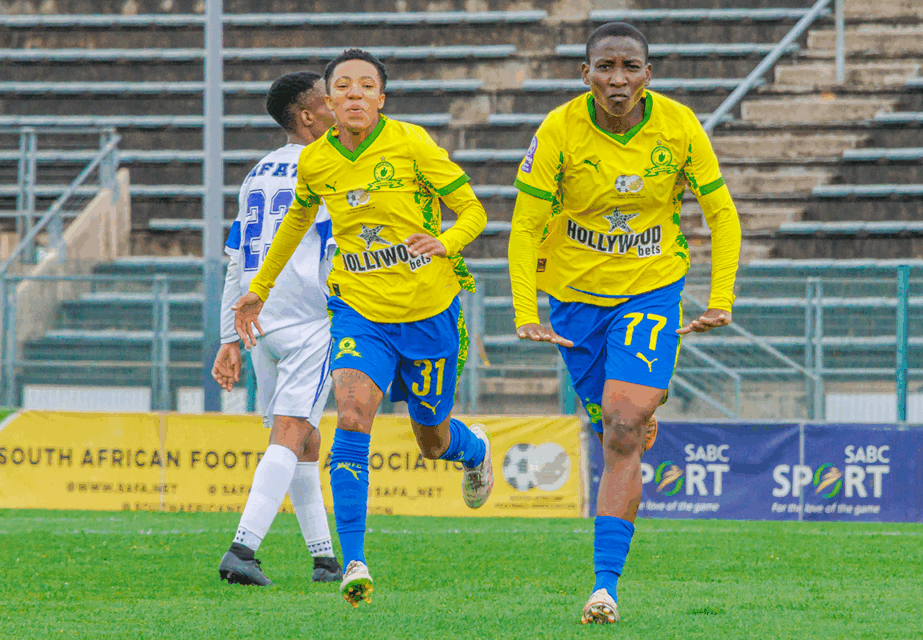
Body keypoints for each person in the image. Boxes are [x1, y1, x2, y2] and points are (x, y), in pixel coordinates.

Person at [232, 49, 494, 607]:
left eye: (366, 85)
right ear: (328, 99)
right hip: (358, 310)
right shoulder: (316, 161)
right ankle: (353, 561)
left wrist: (445, 242)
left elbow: (473, 210)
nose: (355, 93)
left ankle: (473, 451)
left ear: (381, 98)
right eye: (344, 85)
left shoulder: (412, 143)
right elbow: (295, 222)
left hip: (429, 312)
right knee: (351, 416)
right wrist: (260, 287)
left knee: (432, 440)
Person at [508, 22, 741, 624]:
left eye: (630, 67)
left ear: (648, 74)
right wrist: (526, 310)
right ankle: (635, 413)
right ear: (584, 73)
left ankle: (604, 588)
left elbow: (721, 213)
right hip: (575, 299)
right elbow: (525, 225)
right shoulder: (558, 129)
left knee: (621, 427)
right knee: (609, 423)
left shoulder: (679, 126)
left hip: (651, 290)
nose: (618, 79)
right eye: (606, 67)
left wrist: (721, 297)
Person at [212, 71, 342, 587]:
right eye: (328, 100)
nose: (337, 106)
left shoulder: (257, 173)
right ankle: (242, 549)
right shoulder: (328, 167)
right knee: (291, 432)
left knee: (303, 438)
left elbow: (235, 260)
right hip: (311, 319)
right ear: (308, 115)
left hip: (260, 321)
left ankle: (324, 559)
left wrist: (229, 336)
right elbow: (335, 249)